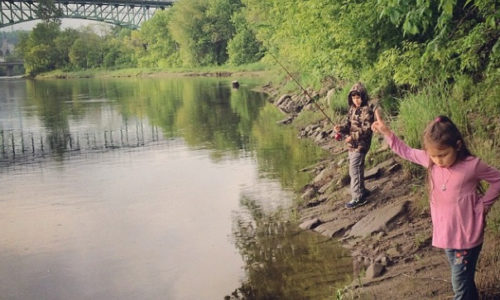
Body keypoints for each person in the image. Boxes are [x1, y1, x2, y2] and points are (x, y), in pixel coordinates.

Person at [371, 114, 500, 300]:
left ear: (457, 146)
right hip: (447, 235)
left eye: (443, 155)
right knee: (464, 280)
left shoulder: (472, 166)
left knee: (459, 285)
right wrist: (387, 133)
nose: (438, 160)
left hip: (467, 235)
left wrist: (483, 206)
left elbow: (497, 180)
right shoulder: (430, 162)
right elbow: (406, 151)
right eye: (433, 155)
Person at [334, 82, 375, 209]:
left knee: (354, 170)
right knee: (358, 168)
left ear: (363, 97)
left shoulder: (367, 110)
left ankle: (358, 198)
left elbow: (367, 130)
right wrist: (340, 129)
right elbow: (348, 126)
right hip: (352, 145)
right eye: (353, 98)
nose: (356, 100)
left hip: (361, 145)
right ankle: (362, 190)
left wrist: (353, 137)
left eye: (358, 98)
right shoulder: (352, 109)